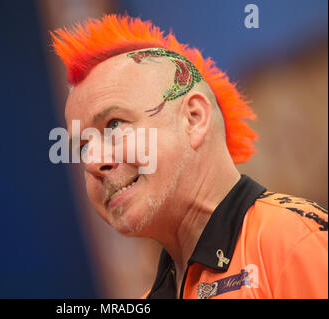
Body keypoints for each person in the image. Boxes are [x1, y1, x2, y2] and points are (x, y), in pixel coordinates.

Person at [50, 14, 328, 299]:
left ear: (194, 119)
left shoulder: (292, 242)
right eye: (83, 146)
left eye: (114, 125)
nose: (94, 161)